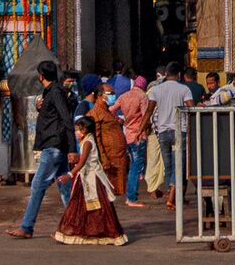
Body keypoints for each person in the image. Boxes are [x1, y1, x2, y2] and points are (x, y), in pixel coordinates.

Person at [56, 80, 128, 245]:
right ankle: (76, 231)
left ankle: (103, 232)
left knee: (99, 205)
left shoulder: (107, 113)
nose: (113, 96)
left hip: (94, 172)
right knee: (81, 204)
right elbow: (91, 150)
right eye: (110, 94)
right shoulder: (94, 115)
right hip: (91, 171)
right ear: (100, 96)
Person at [11, 61, 75, 239]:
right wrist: (40, 108)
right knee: (64, 187)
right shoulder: (51, 93)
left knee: (37, 185)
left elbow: (66, 120)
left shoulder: (56, 92)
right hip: (54, 145)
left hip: (54, 146)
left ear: (41, 76)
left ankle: (26, 226)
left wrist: (72, 149)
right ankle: (76, 222)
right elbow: (54, 116)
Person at [145, 64, 194, 200]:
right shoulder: (184, 89)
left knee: (168, 165)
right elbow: (191, 108)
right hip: (180, 131)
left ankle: (170, 194)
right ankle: (174, 197)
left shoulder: (156, 89)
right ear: (178, 74)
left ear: (166, 74)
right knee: (179, 163)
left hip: (163, 132)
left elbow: (149, 111)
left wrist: (141, 128)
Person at [114, 70, 157, 205]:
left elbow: (110, 109)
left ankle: (132, 194)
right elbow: (146, 115)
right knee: (136, 167)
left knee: (133, 164)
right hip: (139, 135)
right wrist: (146, 128)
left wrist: (119, 121)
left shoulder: (124, 96)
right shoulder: (143, 97)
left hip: (128, 134)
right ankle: (131, 197)